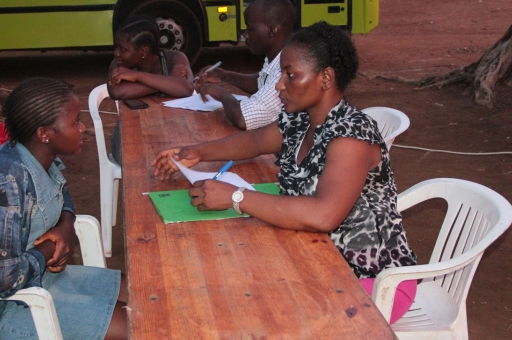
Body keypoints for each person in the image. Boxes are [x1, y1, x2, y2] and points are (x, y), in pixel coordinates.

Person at [153, 22, 418, 324]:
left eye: (290, 75)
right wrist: (196, 152)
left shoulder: (352, 136)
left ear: (326, 78)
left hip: (371, 280)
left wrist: (236, 197)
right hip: (317, 257)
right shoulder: (301, 119)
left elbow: (323, 215)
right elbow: (254, 141)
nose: (279, 84)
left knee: (253, 312)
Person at [0, 78, 127, 340]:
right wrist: (51, 248)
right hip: (1, 310)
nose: (83, 128)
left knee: (145, 293)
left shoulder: (37, 156)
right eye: (74, 122)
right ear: (44, 134)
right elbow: (4, 282)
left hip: (43, 279)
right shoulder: (7, 185)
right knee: (137, 324)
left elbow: (62, 192)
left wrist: (66, 226)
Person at [194, 0, 296, 130]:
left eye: (250, 29)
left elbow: (243, 118)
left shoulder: (286, 66)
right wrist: (224, 76)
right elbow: (262, 82)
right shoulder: (278, 55)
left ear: (272, 30)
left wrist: (221, 94)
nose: (245, 35)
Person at [107, 15, 194, 163]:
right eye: (116, 47)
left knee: (182, 157)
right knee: (136, 161)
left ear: (144, 51)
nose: (116, 53)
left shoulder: (175, 58)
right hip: (130, 133)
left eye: (122, 49)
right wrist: (167, 81)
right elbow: (117, 92)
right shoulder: (119, 65)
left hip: (171, 128)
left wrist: (137, 76)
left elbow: (186, 89)